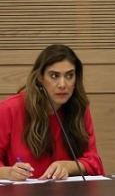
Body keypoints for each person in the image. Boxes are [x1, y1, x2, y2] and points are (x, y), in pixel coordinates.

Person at [0, 44, 105, 180]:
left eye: (69, 76)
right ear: (40, 78)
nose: (62, 84)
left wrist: (67, 166)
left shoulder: (79, 108)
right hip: (20, 192)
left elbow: (94, 162)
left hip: (68, 193)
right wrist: (7, 173)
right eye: (54, 76)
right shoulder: (9, 110)